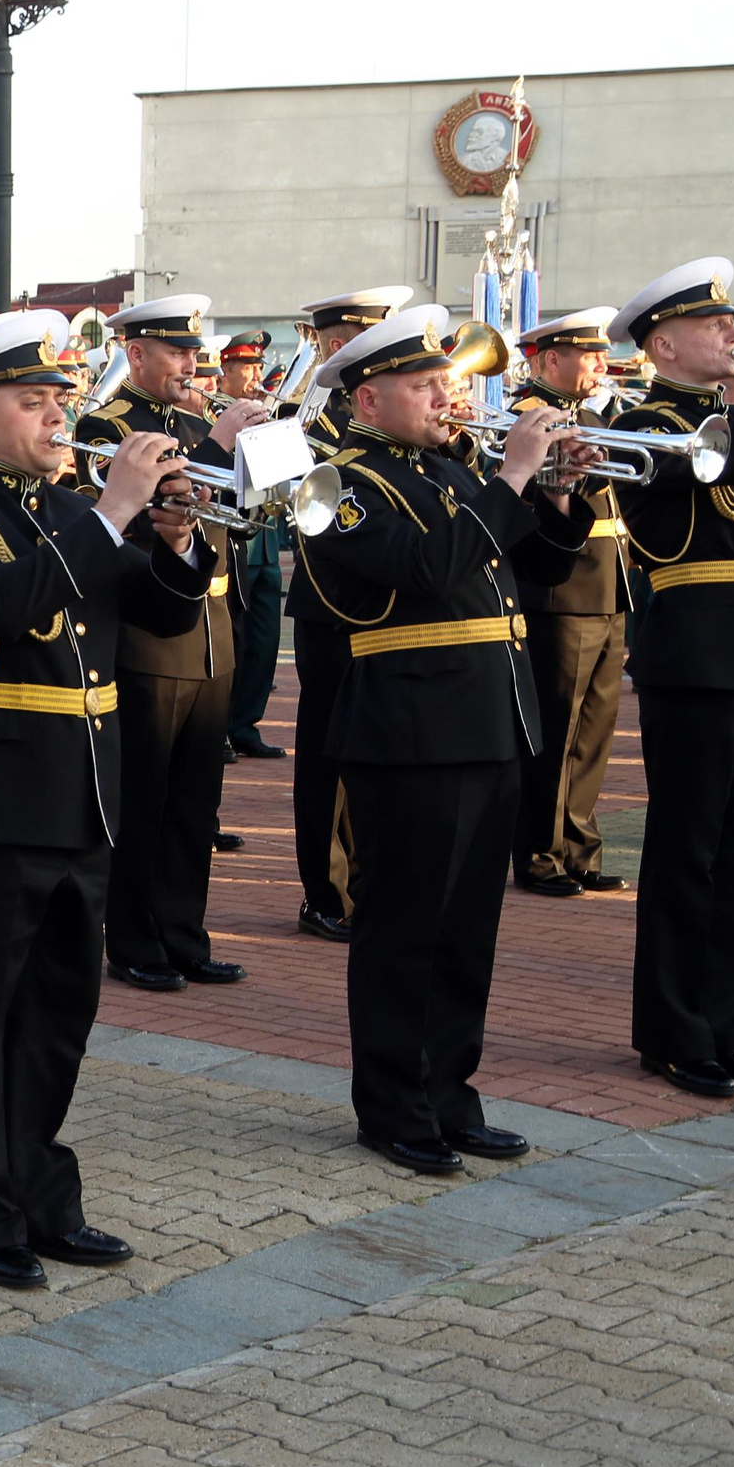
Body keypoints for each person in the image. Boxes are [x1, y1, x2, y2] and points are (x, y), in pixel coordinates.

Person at [0, 309, 209, 1288]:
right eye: (31, 404)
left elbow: (152, 614)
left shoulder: (67, 513)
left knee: (58, 1017)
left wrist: (178, 540)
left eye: (56, 401)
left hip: (82, 798)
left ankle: (43, 1195)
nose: (52, 419)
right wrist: (111, 514)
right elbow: (0, 606)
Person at [296, 303, 588, 1172]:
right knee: (404, 928)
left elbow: (539, 566)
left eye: (443, 384)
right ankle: (391, 1107)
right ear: (367, 400)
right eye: (423, 386)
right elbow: (427, 569)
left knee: (467, 929)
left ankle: (450, 1095)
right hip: (410, 727)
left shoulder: (452, 472)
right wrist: (512, 478)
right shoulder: (340, 483)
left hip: (491, 716)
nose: (444, 398)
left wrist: (558, 490)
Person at [80, 295, 256, 992]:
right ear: (138, 354)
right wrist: (217, 446)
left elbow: (244, 514)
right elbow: (132, 521)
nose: (192, 363)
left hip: (211, 630)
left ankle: (184, 935)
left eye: (193, 351)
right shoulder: (106, 425)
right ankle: (133, 942)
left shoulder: (198, 418)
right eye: (177, 352)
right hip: (150, 637)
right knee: (144, 800)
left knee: (195, 802)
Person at [612, 260, 734, 1098]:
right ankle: (673, 1029)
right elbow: (677, 493)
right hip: (697, 657)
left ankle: (726, 1023)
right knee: (690, 850)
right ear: (664, 342)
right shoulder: (647, 424)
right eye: (715, 324)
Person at [286, 286, 413, 942]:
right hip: (331, 604)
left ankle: (366, 881)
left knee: (372, 748)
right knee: (330, 753)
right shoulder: (306, 422)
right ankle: (326, 892)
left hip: (383, 608)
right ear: (338, 346)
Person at [506, 308, 631, 899]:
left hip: (606, 587)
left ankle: (579, 848)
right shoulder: (527, 419)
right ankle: (538, 852)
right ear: (551, 359)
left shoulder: (592, 416)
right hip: (559, 592)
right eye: (590, 354)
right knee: (556, 731)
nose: (601, 364)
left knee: (594, 732)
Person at [217, 330, 288, 760]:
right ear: (224, 372)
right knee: (235, 641)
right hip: (232, 539)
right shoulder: (217, 417)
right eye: (247, 367)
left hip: (265, 539)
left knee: (264, 640)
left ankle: (247, 723)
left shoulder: (266, 412)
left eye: (259, 366)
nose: (256, 375)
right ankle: (222, 725)